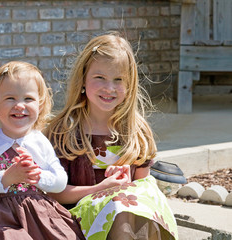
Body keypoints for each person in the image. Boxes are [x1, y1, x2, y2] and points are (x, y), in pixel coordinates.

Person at [45, 32, 178, 240]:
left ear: (130, 85)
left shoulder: (136, 131)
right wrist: (101, 189)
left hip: (127, 220)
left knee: (127, 206)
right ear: (82, 80)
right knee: (120, 206)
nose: (109, 88)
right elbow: (54, 193)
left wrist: (127, 185)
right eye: (100, 78)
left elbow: (145, 191)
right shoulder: (64, 132)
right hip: (76, 218)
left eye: (118, 80)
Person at [0, 61, 84, 240]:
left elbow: (60, 181)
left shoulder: (39, 141)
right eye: (10, 98)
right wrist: (5, 178)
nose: (20, 105)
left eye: (28, 99)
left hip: (38, 214)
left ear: (40, 105)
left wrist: (38, 176)